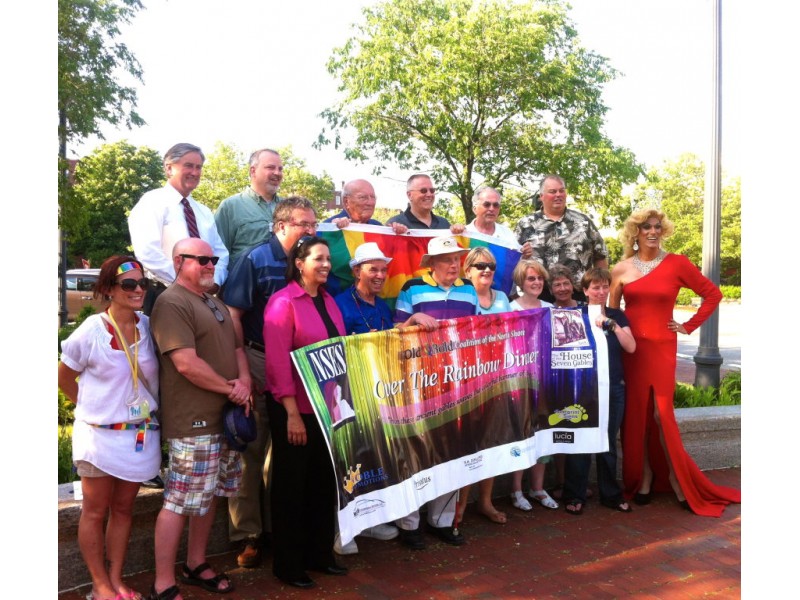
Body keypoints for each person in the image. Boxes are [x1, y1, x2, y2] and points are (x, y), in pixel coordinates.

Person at [610, 209, 740, 517]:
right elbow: (613, 314)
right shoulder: (621, 269)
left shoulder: (677, 263)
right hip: (632, 352)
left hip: (662, 349)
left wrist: (689, 325)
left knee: (660, 415)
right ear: (636, 233)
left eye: (657, 227)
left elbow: (712, 294)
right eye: (646, 227)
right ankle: (644, 478)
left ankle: (675, 478)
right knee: (637, 417)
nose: (652, 232)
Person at [148, 238, 252, 599]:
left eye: (213, 259)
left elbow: (238, 348)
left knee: (208, 498)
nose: (210, 265)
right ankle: (162, 582)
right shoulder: (172, 302)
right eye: (202, 259)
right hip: (193, 421)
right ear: (179, 261)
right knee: (179, 500)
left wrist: (245, 381)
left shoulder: (213, 300)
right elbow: (186, 364)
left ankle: (195, 563)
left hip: (224, 419)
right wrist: (232, 390)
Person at [218, 196, 316, 568]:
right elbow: (233, 315)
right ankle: (248, 534)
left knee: (286, 450)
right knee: (251, 450)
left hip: (300, 364)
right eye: (302, 224)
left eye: (313, 225)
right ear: (280, 226)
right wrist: (243, 367)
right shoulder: (255, 259)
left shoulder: (309, 262)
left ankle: (280, 528)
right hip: (259, 360)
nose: (310, 231)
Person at [58, 256, 161, 600]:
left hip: (137, 437)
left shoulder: (148, 326)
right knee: (95, 510)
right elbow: (63, 377)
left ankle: (116, 580)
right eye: (128, 284)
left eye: (142, 283)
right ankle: (99, 585)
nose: (138, 290)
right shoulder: (91, 331)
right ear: (108, 289)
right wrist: (92, 410)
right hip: (99, 438)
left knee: (123, 510)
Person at [332, 242, 435, 555]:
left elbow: (388, 338)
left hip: (378, 391)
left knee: (372, 457)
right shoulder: (339, 303)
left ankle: (371, 521)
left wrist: (411, 321)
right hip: (347, 393)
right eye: (372, 269)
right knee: (346, 460)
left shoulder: (379, 304)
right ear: (356, 271)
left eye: (382, 269)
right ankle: (341, 531)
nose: (379, 275)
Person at [263, 236, 349, 588]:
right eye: (319, 258)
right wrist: (292, 414)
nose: (326, 264)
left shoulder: (329, 301)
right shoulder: (283, 303)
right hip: (294, 408)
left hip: (328, 408)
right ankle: (289, 563)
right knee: (291, 486)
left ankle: (319, 554)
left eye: (328, 259)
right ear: (299, 263)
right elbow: (277, 363)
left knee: (323, 484)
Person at [393, 236, 478, 549]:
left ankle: (441, 520)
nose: (454, 264)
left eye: (457, 258)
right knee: (416, 451)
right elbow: (395, 330)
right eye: (447, 259)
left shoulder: (468, 290)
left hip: (457, 380)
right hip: (419, 382)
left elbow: (478, 331)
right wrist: (414, 318)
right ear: (432, 263)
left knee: (450, 449)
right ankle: (409, 524)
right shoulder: (411, 288)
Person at [562, 268, 636, 516]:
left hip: (614, 387)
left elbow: (631, 347)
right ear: (585, 291)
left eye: (605, 287)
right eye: (595, 287)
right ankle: (575, 494)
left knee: (608, 442)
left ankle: (611, 495)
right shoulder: (575, 315)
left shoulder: (617, 315)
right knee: (581, 439)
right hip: (584, 388)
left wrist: (611, 324)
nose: (601, 291)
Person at [128, 143, 229, 314]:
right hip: (166, 294)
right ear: (169, 169)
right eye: (188, 166)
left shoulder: (203, 211)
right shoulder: (152, 202)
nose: (195, 172)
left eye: (199, 167)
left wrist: (214, 281)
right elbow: (147, 252)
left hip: (202, 297)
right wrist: (185, 282)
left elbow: (220, 252)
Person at [454, 247, 510, 525]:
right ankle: (461, 503)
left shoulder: (502, 297)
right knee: (468, 443)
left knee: (490, 440)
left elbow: (513, 334)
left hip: (497, 377)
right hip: (466, 379)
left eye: (490, 265)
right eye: (479, 265)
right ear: (467, 271)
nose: (486, 270)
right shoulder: (461, 297)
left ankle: (485, 501)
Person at [507, 259, 559, 513]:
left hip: (546, 380)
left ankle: (537, 488)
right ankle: (516, 490)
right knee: (521, 433)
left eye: (539, 278)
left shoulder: (550, 308)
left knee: (543, 433)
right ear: (520, 282)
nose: (536, 282)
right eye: (531, 278)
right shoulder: (510, 309)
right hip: (520, 380)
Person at [515, 175, 607, 302]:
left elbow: (600, 256)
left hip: (578, 295)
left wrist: (599, 288)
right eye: (552, 191)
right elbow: (515, 261)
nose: (558, 194)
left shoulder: (583, 222)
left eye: (561, 190)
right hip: (539, 296)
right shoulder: (526, 224)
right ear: (541, 196)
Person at [215, 148, 284, 264]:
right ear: (253, 171)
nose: (277, 173)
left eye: (280, 169)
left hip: (284, 280)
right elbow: (218, 254)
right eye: (270, 167)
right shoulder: (231, 207)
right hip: (244, 281)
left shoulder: (290, 207)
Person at [465, 186, 532, 258]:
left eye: (496, 205)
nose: (491, 209)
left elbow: (514, 263)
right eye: (487, 204)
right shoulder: (464, 234)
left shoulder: (507, 234)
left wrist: (524, 254)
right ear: (475, 209)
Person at [386, 174, 465, 233]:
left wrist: (459, 233)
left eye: (432, 190)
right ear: (409, 195)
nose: (429, 194)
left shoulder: (444, 224)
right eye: (423, 191)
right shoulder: (395, 225)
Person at [324, 178, 409, 234]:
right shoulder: (328, 228)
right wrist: (332, 230)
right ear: (347, 201)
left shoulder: (377, 227)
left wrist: (397, 235)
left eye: (373, 197)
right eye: (363, 197)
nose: (371, 203)